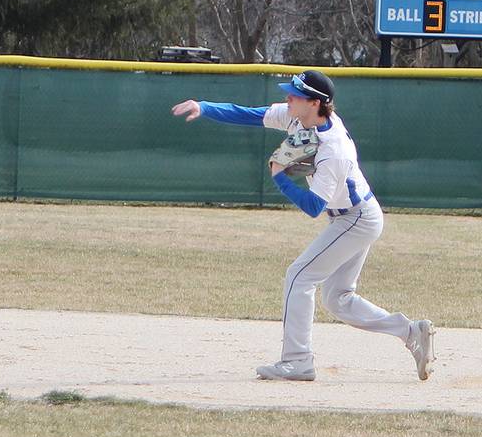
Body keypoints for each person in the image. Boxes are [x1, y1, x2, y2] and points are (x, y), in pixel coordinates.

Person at [170, 70, 436, 381]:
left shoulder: (333, 152)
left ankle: (297, 361)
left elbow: (313, 207)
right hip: (354, 216)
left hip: (356, 218)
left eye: (294, 94)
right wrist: (204, 107)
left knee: (299, 276)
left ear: (314, 103)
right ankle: (411, 332)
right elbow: (251, 115)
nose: (288, 97)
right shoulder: (299, 118)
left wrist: (279, 177)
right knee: (338, 299)